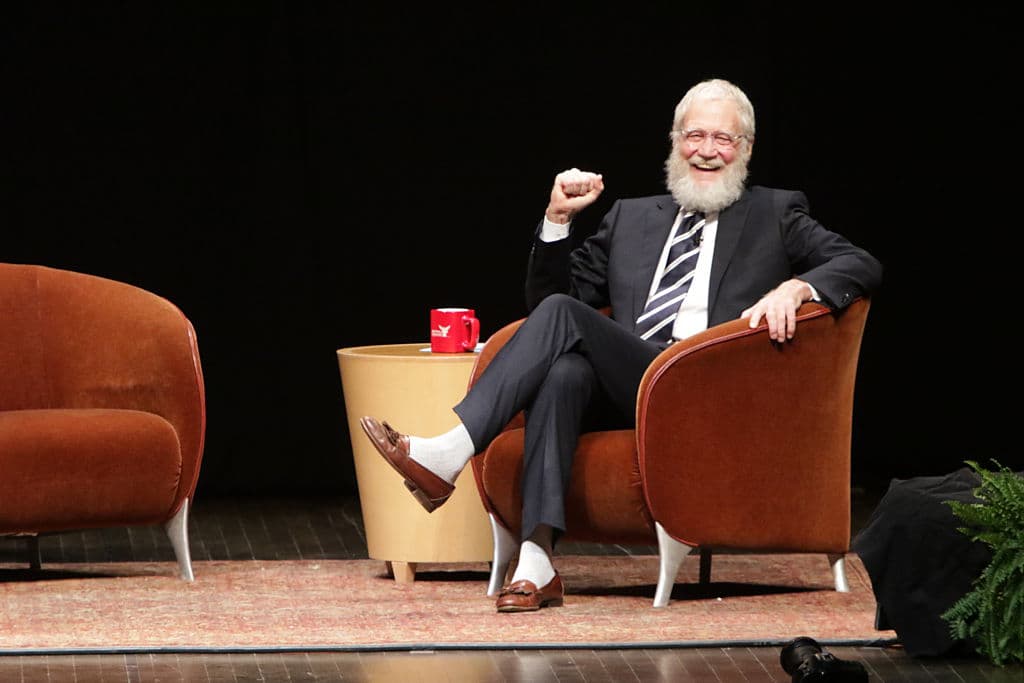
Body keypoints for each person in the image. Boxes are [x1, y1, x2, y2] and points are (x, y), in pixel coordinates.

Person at [360, 78, 883, 613]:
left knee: (566, 327)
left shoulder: (775, 214)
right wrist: (558, 219)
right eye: (694, 135)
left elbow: (861, 263)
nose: (707, 150)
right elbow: (552, 304)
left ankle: (449, 451)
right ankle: (537, 562)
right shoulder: (631, 217)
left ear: (745, 149)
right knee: (563, 370)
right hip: (628, 381)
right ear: (675, 141)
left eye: (724, 139)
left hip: (704, 387)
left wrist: (800, 286)